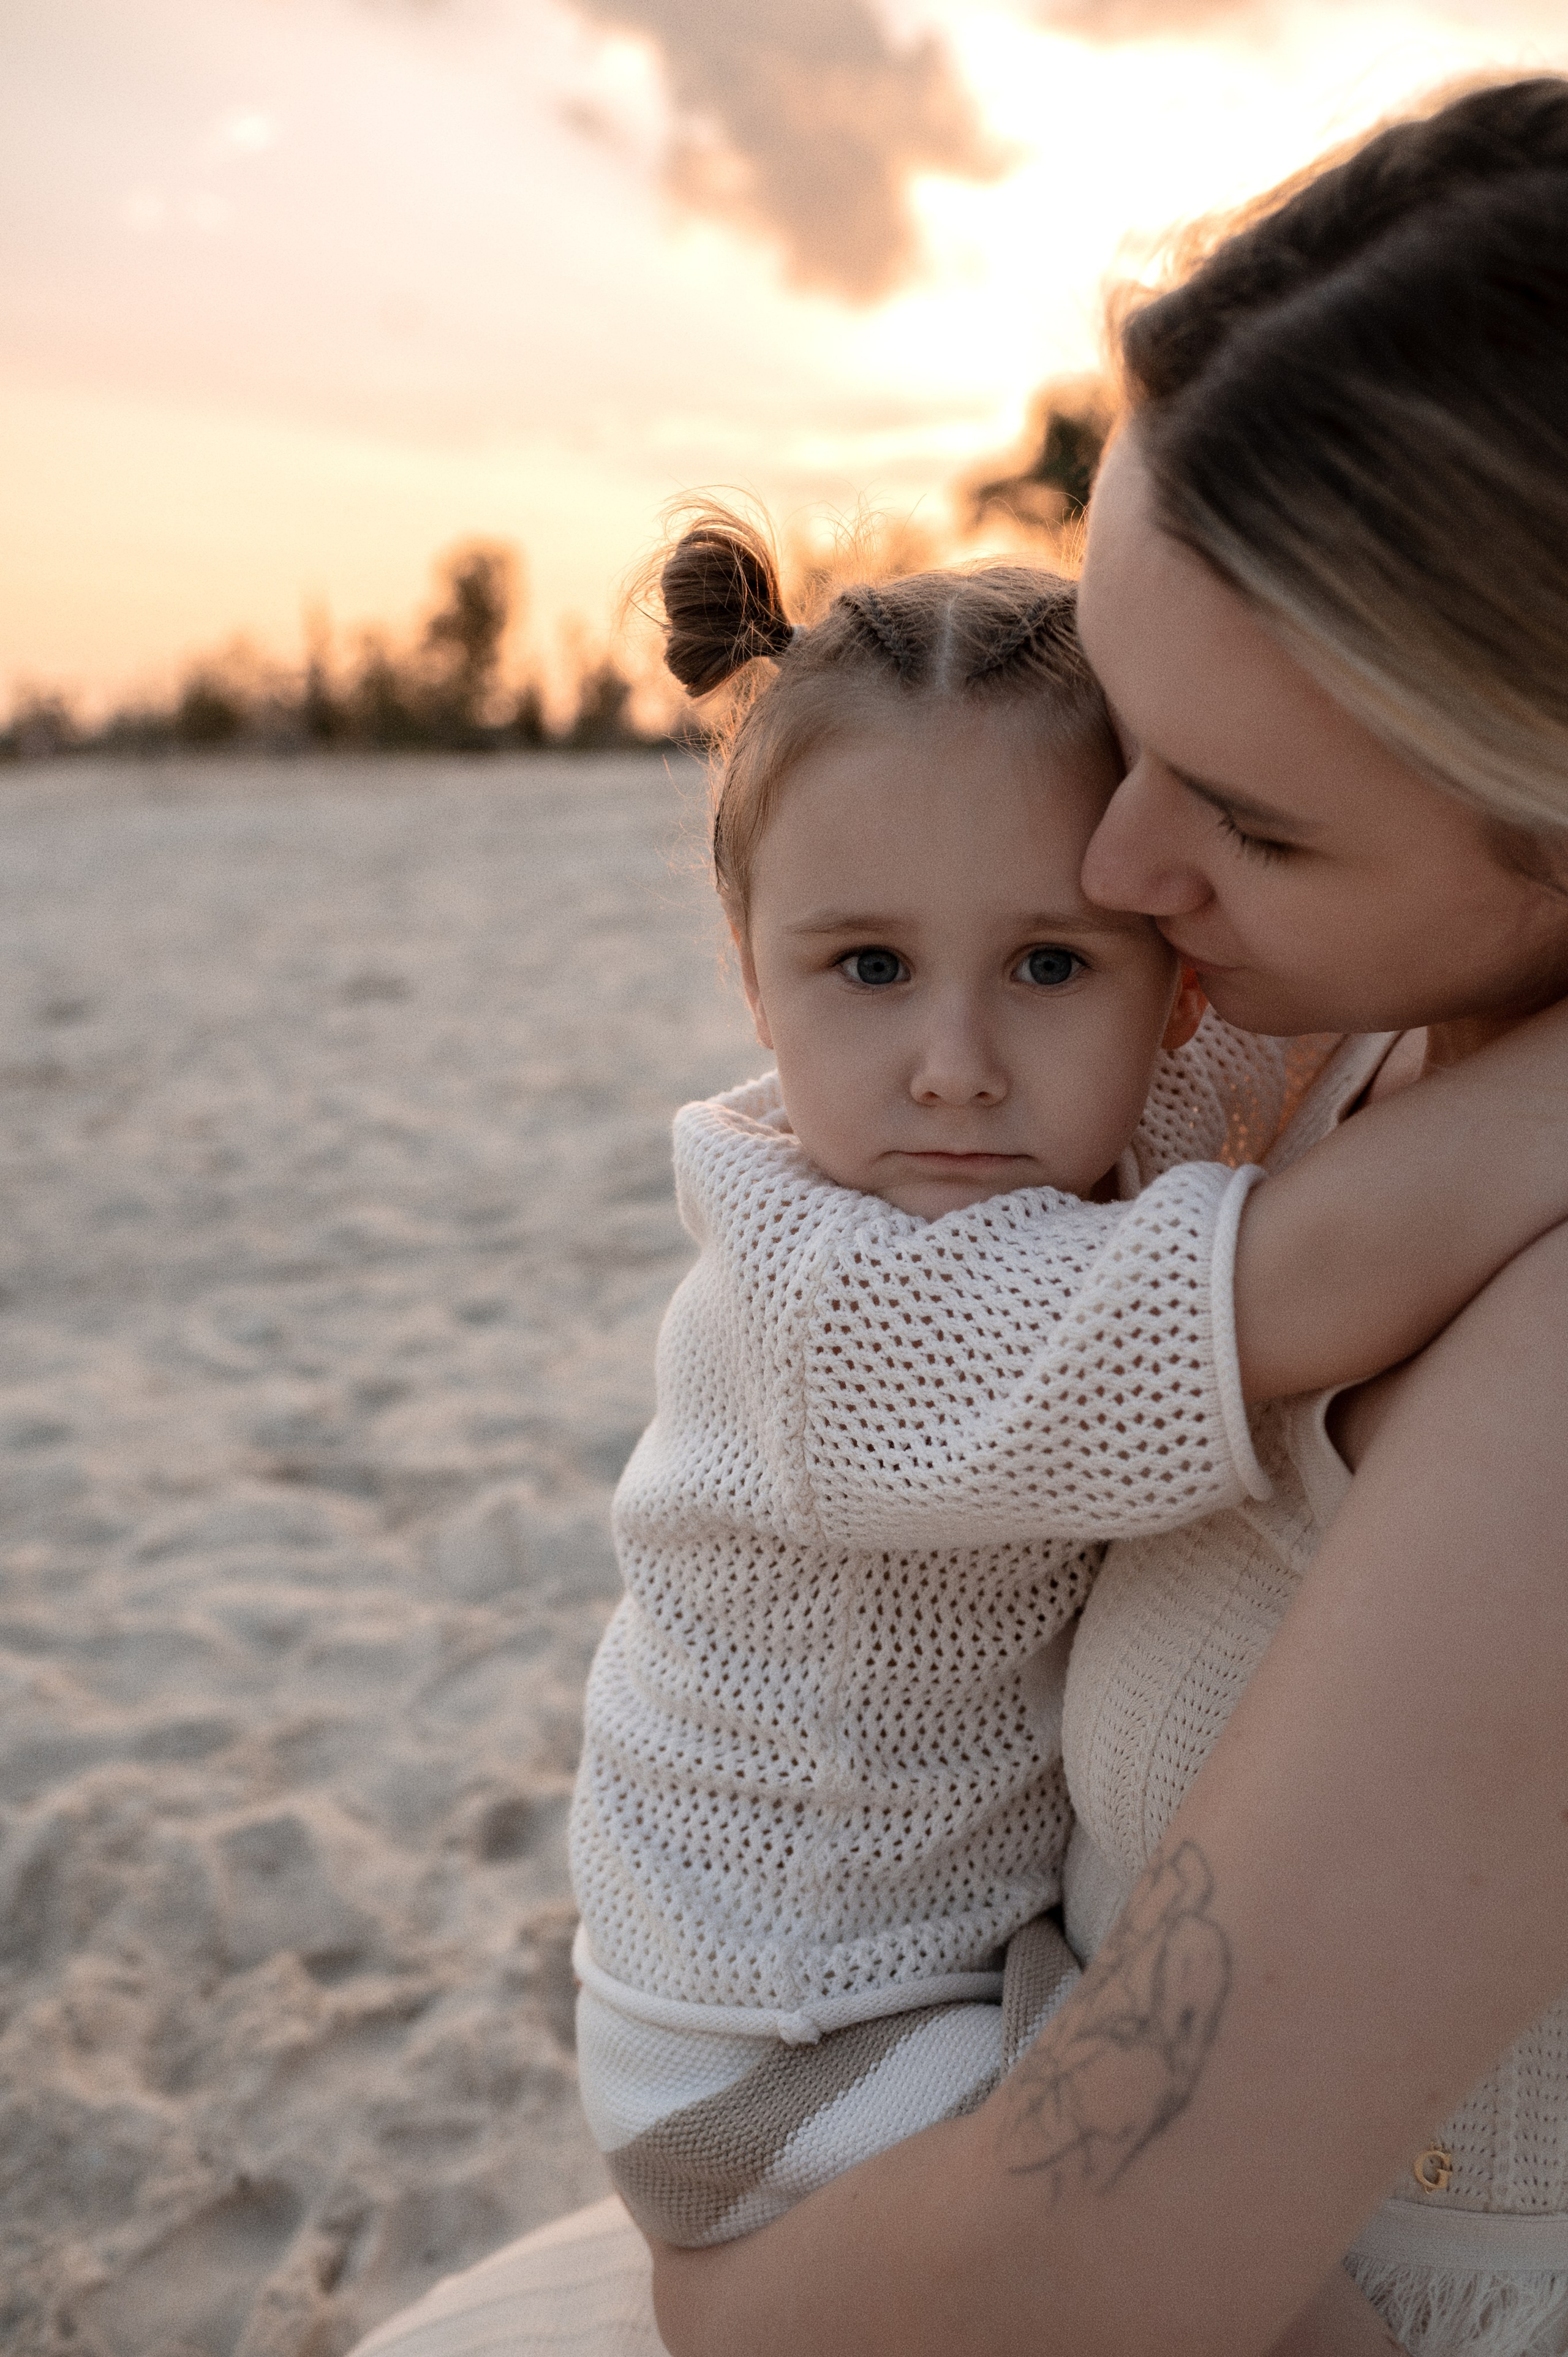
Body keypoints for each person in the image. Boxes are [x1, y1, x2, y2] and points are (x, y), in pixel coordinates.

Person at [353, 72, 1568, 2357]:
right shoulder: (1278, 1055)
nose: (1116, 885)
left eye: (1242, 822)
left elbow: (1104, 2256)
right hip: (842, 2043)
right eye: (1135, 746)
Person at [569, 524, 1568, 2270]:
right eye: (866, 969)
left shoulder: (1107, 1106)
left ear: (1173, 982)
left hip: (951, 1960)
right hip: (789, 2032)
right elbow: (1310, 1274)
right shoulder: (841, 1296)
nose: (957, 1063)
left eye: (1050, 963)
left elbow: (1335, 998)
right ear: (752, 973)